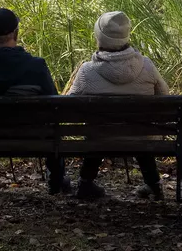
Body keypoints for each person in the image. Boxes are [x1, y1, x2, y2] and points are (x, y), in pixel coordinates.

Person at [0, 8, 69, 194]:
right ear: (15, 33)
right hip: (33, 136)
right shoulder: (36, 66)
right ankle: (56, 180)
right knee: (51, 125)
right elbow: (55, 106)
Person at [68, 11, 169, 200]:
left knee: (98, 132)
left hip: (100, 139)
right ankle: (154, 185)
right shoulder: (147, 66)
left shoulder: (86, 71)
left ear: (98, 37)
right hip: (142, 138)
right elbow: (164, 96)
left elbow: (70, 105)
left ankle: (85, 184)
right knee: (140, 133)